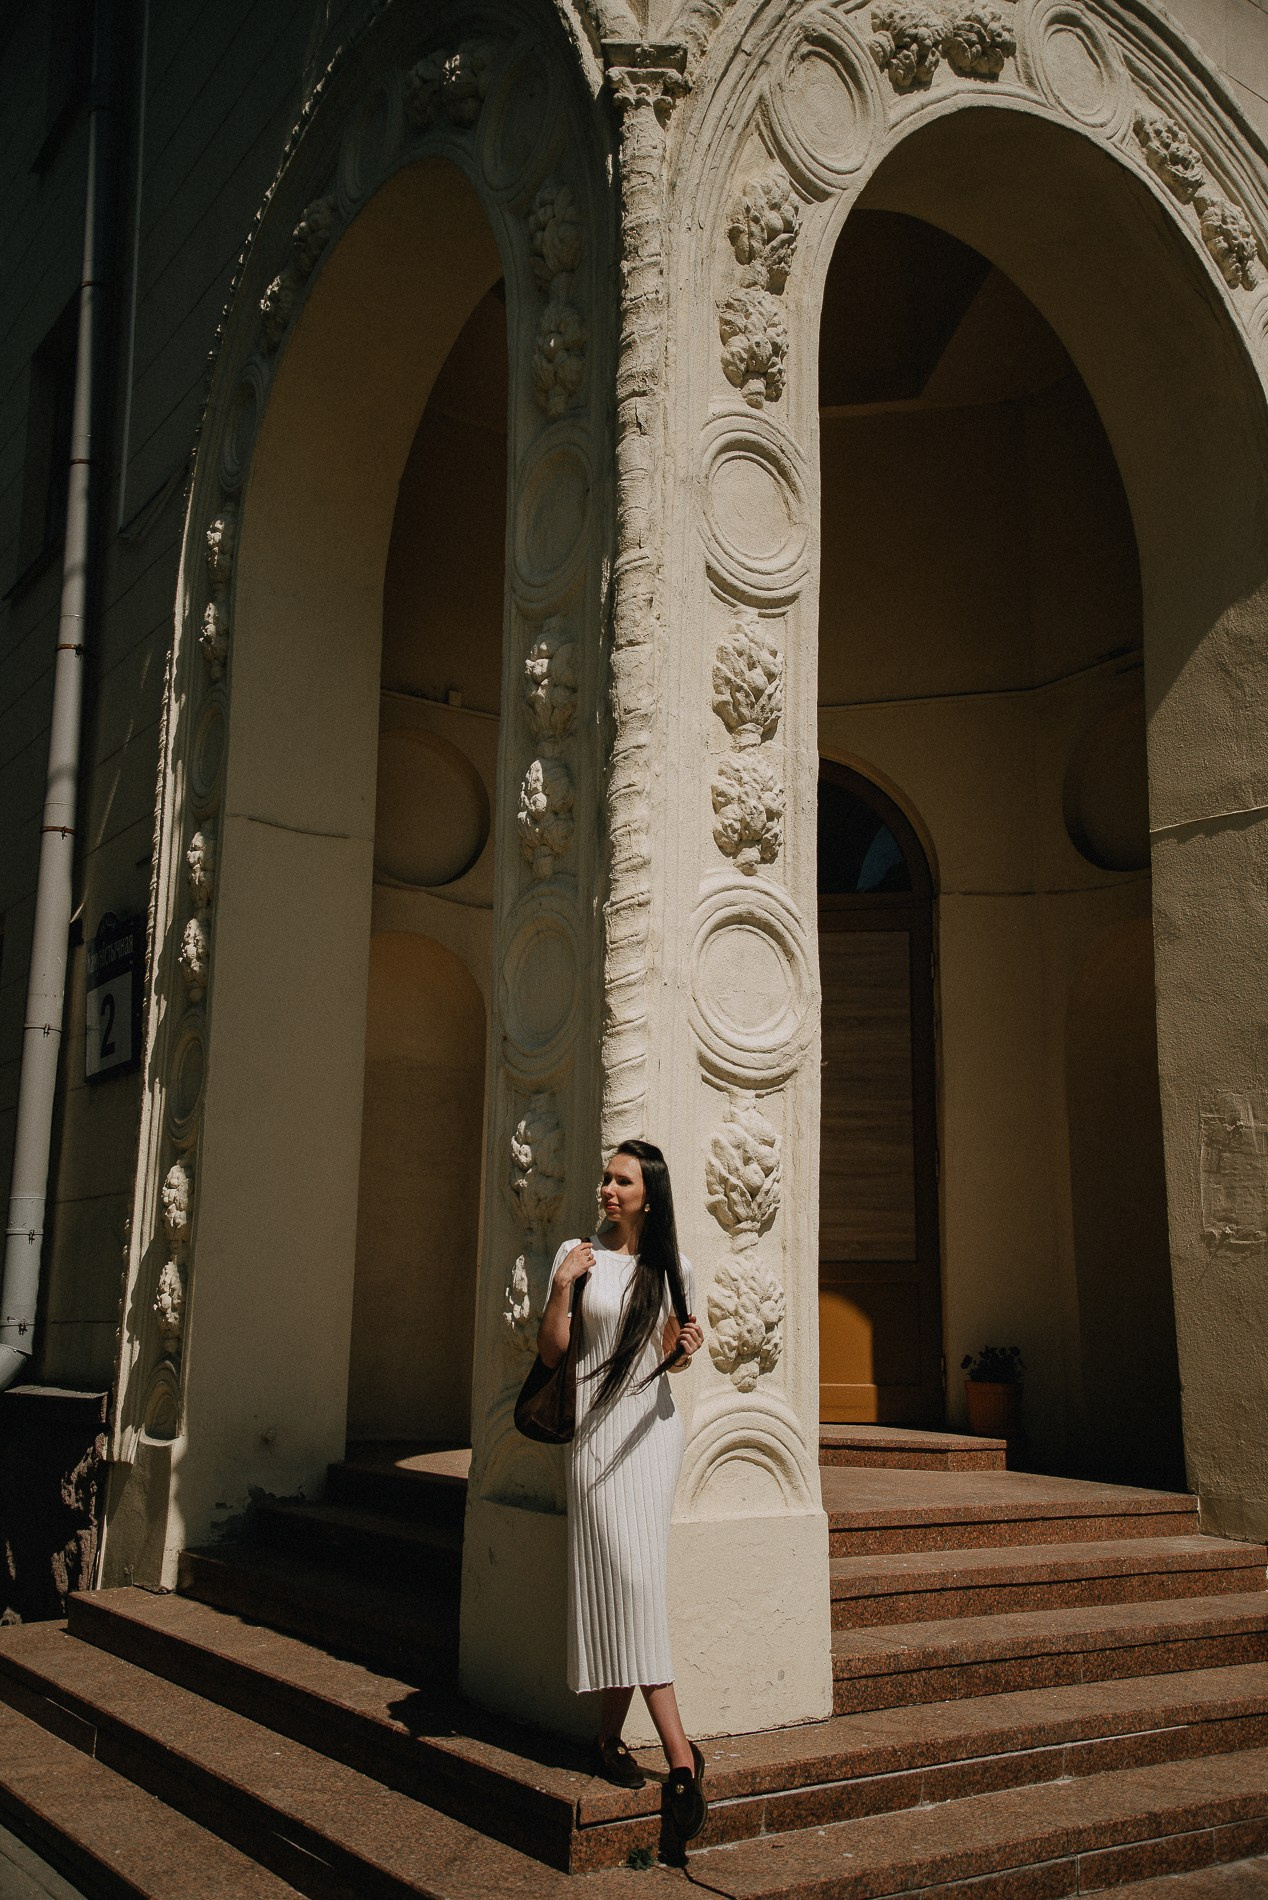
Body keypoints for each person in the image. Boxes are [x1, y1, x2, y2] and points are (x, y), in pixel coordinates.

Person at [538, 1139, 708, 1839]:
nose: (607, 1189)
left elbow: (667, 1357)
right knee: (625, 1587)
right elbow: (553, 1352)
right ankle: (681, 1757)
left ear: (649, 1195)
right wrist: (561, 1287)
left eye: (621, 1181)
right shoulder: (577, 1256)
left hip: (650, 1439)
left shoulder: (674, 1268)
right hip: (593, 1439)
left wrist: (685, 1350)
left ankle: (614, 1741)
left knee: (631, 1586)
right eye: (605, 1177)